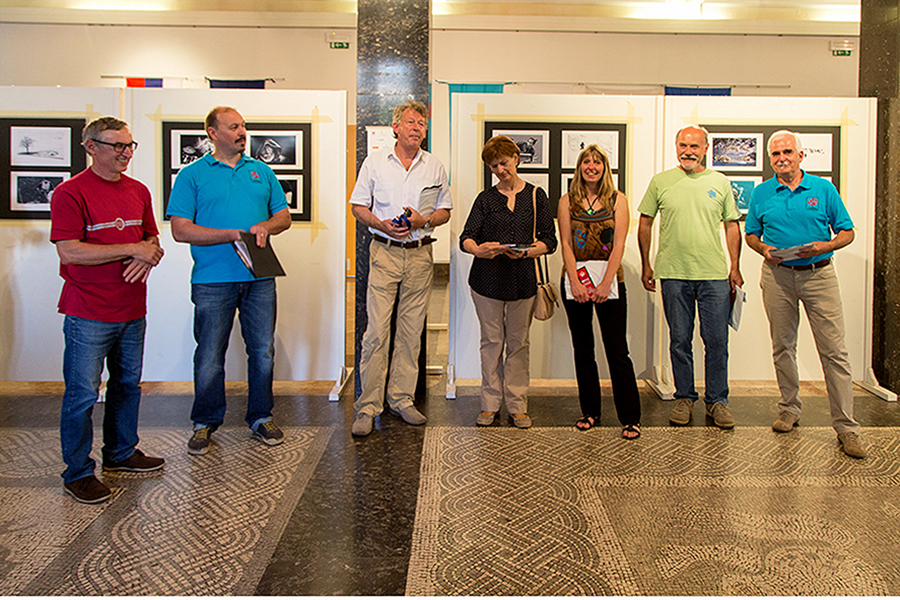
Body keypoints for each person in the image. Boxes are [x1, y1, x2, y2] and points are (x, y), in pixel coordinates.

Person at [50, 116, 165, 504]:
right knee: (83, 394)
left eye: (129, 145)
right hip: (88, 310)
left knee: (127, 385)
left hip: (132, 307)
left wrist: (149, 255)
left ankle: (121, 452)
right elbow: (70, 251)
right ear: (91, 147)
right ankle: (78, 472)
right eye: (117, 145)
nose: (126, 153)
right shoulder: (70, 193)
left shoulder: (138, 190)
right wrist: (132, 249)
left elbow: (151, 237)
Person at [167, 106, 291, 455]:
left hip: (259, 277)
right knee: (209, 354)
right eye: (234, 126)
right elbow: (181, 230)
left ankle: (261, 417)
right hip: (212, 280)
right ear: (212, 132)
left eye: (243, 126)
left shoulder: (261, 171)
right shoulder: (192, 176)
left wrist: (266, 225)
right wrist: (232, 235)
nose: (242, 132)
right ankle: (204, 422)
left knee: (262, 351)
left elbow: (283, 216)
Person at [745, 130, 866, 459]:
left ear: (801, 156)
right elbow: (751, 234)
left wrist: (825, 245)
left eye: (787, 152)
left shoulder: (823, 189)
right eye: (775, 154)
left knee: (834, 351)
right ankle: (789, 408)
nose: (781, 158)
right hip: (777, 276)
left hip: (819, 275)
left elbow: (848, 232)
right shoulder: (762, 193)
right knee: (782, 346)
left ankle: (847, 427)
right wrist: (763, 249)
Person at [349, 100, 453, 437]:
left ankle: (402, 398)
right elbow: (358, 206)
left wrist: (425, 220)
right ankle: (368, 406)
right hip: (385, 252)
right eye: (410, 122)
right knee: (376, 333)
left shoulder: (434, 166)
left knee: (410, 332)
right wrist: (380, 223)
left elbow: (445, 211)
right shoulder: (375, 162)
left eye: (421, 123)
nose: (417, 127)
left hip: (420, 255)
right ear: (395, 127)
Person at [638, 125, 743, 429]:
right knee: (680, 340)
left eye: (694, 146)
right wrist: (646, 264)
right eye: (683, 145)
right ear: (676, 147)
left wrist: (735, 266)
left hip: (714, 275)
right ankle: (684, 397)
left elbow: (732, 225)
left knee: (717, 341)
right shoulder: (661, 182)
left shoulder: (720, 182)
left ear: (706, 148)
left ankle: (717, 401)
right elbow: (645, 223)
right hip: (673, 273)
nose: (688, 151)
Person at [460, 136, 557, 428]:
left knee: (518, 344)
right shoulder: (485, 199)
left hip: (523, 281)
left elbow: (549, 241)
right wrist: (478, 250)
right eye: (494, 166)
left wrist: (526, 251)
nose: (500, 170)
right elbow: (467, 237)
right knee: (491, 343)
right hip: (486, 281)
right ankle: (489, 404)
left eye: (503, 163)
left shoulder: (536, 195)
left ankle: (517, 405)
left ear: (516, 158)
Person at [559, 145, 641, 439]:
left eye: (597, 162)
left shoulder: (618, 200)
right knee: (583, 350)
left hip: (611, 283)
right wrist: (575, 281)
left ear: (605, 168)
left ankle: (630, 417)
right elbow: (566, 243)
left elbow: (618, 244)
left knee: (617, 350)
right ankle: (590, 411)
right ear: (579, 167)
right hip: (576, 283)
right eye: (586, 161)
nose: (591, 167)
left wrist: (606, 283)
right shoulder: (567, 201)